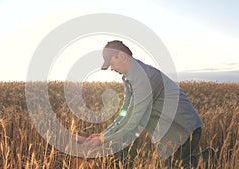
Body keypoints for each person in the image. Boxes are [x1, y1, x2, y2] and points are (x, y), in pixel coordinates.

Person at [82, 40, 205, 168]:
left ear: (122, 56)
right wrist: (105, 134)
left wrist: (104, 139)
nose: (112, 69)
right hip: (169, 134)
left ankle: (208, 158)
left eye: (112, 63)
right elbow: (125, 112)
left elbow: (134, 119)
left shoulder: (145, 78)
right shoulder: (128, 78)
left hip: (183, 130)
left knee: (180, 166)